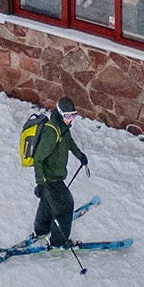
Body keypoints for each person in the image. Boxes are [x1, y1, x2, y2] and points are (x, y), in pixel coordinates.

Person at [31, 96, 90, 247]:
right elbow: (37, 159)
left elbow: (69, 143)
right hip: (49, 178)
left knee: (48, 202)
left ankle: (41, 230)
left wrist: (80, 156)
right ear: (60, 113)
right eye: (68, 116)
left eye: (73, 115)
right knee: (65, 207)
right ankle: (58, 241)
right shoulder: (52, 132)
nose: (71, 119)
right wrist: (40, 183)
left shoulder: (63, 128)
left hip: (56, 176)